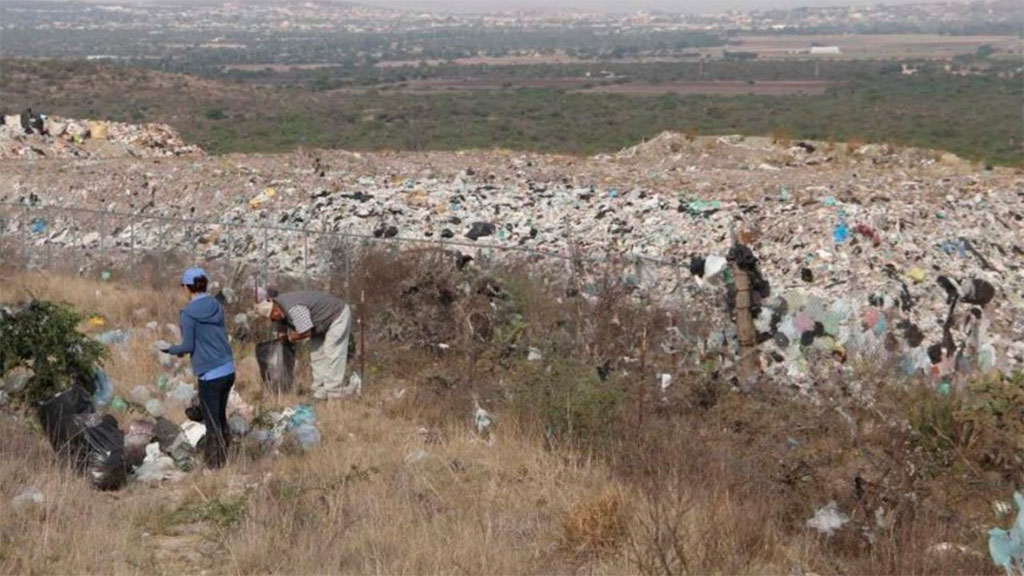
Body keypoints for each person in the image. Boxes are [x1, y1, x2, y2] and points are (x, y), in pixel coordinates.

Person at [162, 268, 235, 468]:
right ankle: (227, 457)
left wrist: (169, 349)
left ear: (187, 287)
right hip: (228, 368)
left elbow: (187, 347)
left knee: (211, 422)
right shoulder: (216, 305)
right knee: (220, 416)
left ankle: (215, 465)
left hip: (210, 374)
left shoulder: (188, 313)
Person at [255, 290, 352, 400]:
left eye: (273, 315)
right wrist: (283, 336)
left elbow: (306, 331)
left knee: (333, 353)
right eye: (272, 318)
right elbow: (282, 325)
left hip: (336, 315)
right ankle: (320, 392)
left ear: (275, 309)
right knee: (316, 355)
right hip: (319, 323)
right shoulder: (279, 306)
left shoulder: (294, 308)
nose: (274, 318)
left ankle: (335, 394)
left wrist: (292, 337)